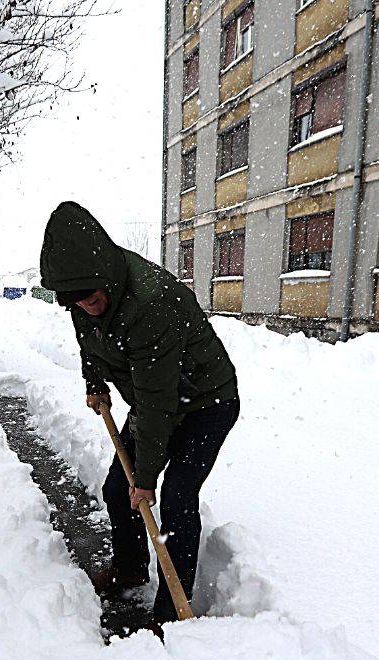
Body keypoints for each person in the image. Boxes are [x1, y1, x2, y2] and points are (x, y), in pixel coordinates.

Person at [39, 201, 239, 633]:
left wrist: (145, 477)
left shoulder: (151, 305)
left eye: (93, 300)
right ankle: (130, 569)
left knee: (177, 496)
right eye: (77, 304)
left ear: (106, 281)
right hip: (158, 401)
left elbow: (155, 405)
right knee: (117, 487)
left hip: (206, 402)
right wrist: (95, 384)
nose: (87, 309)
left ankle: (174, 612)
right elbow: (89, 343)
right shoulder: (83, 297)